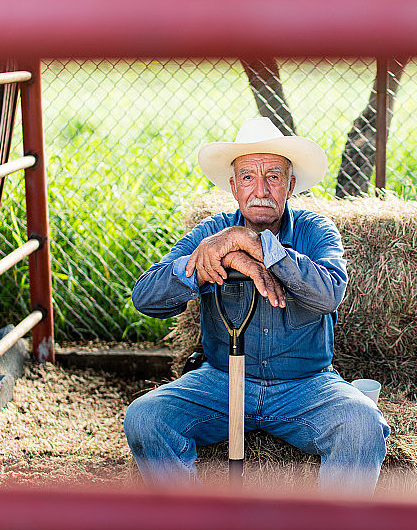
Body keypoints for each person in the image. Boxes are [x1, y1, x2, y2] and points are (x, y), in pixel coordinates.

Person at [124, 117, 389, 494]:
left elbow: (329, 293)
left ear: (291, 185)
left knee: (363, 427)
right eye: (248, 177)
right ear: (233, 187)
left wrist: (256, 245)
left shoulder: (315, 230)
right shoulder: (209, 235)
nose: (260, 189)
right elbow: (146, 298)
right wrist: (212, 261)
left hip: (305, 386)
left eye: (274, 177)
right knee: (145, 418)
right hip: (220, 382)